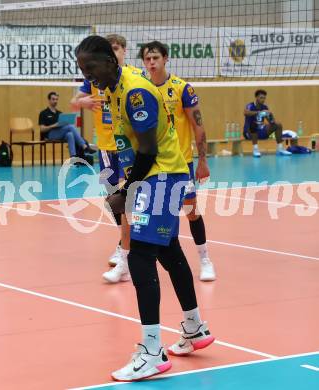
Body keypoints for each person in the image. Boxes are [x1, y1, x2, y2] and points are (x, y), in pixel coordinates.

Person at [75, 35, 215, 382]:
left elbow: (149, 149)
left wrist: (124, 189)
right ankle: (195, 328)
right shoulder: (111, 87)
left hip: (161, 175)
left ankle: (152, 350)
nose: (89, 76)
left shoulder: (136, 91)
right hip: (155, 176)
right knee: (168, 250)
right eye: (82, 70)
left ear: (111, 60)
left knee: (139, 254)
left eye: (92, 68)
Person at [139, 41, 216, 282]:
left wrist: (202, 160)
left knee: (191, 212)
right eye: (147, 59)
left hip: (181, 165)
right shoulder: (139, 89)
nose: (151, 63)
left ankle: (205, 259)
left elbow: (198, 126)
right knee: (155, 216)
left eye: (155, 58)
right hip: (152, 166)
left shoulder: (182, 89)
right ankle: (148, 261)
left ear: (165, 58)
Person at [71, 34, 142, 273]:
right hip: (105, 146)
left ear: (122, 51)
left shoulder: (133, 78)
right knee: (112, 199)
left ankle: (127, 244)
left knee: (128, 196)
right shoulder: (94, 78)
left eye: (117, 48)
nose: (114, 52)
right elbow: (74, 101)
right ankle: (127, 238)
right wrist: (84, 102)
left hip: (127, 147)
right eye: (111, 48)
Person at [39, 92, 95, 158]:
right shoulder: (43, 113)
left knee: (70, 134)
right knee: (70, 127)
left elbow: (61, 126)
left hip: (60, 133)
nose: (55, 101)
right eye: (53, 99)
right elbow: (42, 129)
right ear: (49, 100)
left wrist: (65, 123)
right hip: (49, 135)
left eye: (56, 99)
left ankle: (73, 157)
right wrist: (54, 125)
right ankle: (84, 146)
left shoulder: (59, 113)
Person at [244, 90, 292, 157]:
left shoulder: (265, 107)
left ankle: (280, 148)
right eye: (261, 98)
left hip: (261, 131)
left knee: (278, 125)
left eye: (264, 98)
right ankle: (255, 149)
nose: (263, 100)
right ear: (256, 97)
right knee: (253, 124)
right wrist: (258, 112)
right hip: (249, 133)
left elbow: (271, 122)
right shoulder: (250, 106)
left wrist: (270, 115)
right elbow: (246, 113)